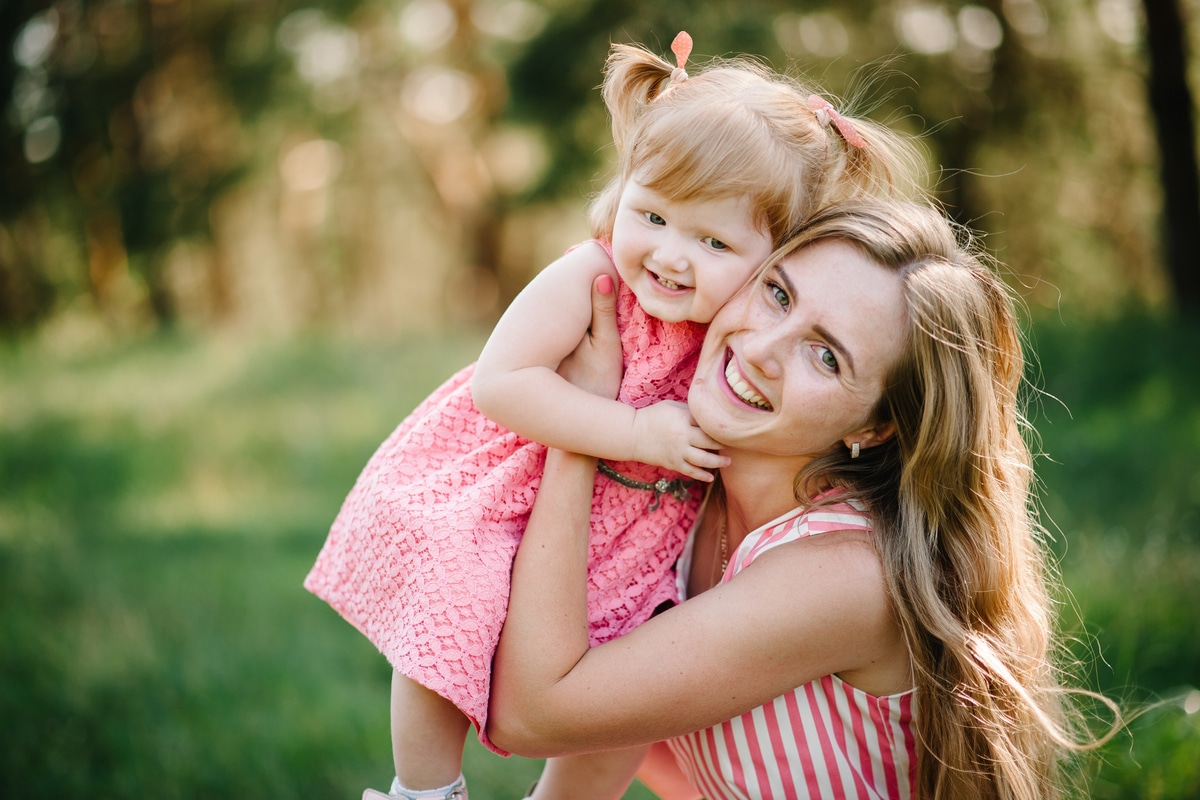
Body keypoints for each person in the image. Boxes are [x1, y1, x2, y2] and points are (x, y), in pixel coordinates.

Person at [304, 32, 925, 800]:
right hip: (508, 486)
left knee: (623, 695)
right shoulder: (596, 278)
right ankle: (423, 789)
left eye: (712, 240)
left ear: (766, 252)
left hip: (627, 523)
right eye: (653, 216)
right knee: (451, 610)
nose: (670, 257)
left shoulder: (729, 341)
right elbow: (502, 382)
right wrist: (623, 429)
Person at [489, 198, 1118, 799]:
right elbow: (628, 736)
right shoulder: (683, 489)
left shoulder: (845, 576)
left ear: (875, 427)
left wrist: (580, 422)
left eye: (825, 356)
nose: (759, 348)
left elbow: (532, 714)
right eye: (777, 293)